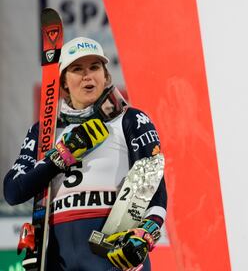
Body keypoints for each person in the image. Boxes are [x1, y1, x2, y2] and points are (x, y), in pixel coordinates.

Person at [3, 37, 167, 270]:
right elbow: (13, 191)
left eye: (94, 67)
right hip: (59, 260)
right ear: (64, 82)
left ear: (105, 75)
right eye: (77, 69)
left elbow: (155, 186)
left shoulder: (129, 119)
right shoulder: (44, 130)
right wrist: (59, 157)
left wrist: (147, 232)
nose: (87, 75)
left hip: (113, 256)